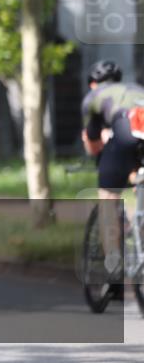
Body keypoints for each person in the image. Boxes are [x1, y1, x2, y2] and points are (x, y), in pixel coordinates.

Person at [80, 60, 144, 285]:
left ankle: (114, 268)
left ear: (93, 84)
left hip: (125, 134)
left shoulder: (93, 98)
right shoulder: (136, 89)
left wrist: (100, 157)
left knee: (108, 197)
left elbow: (93, 142)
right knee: (139, 178)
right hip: (139, 132)